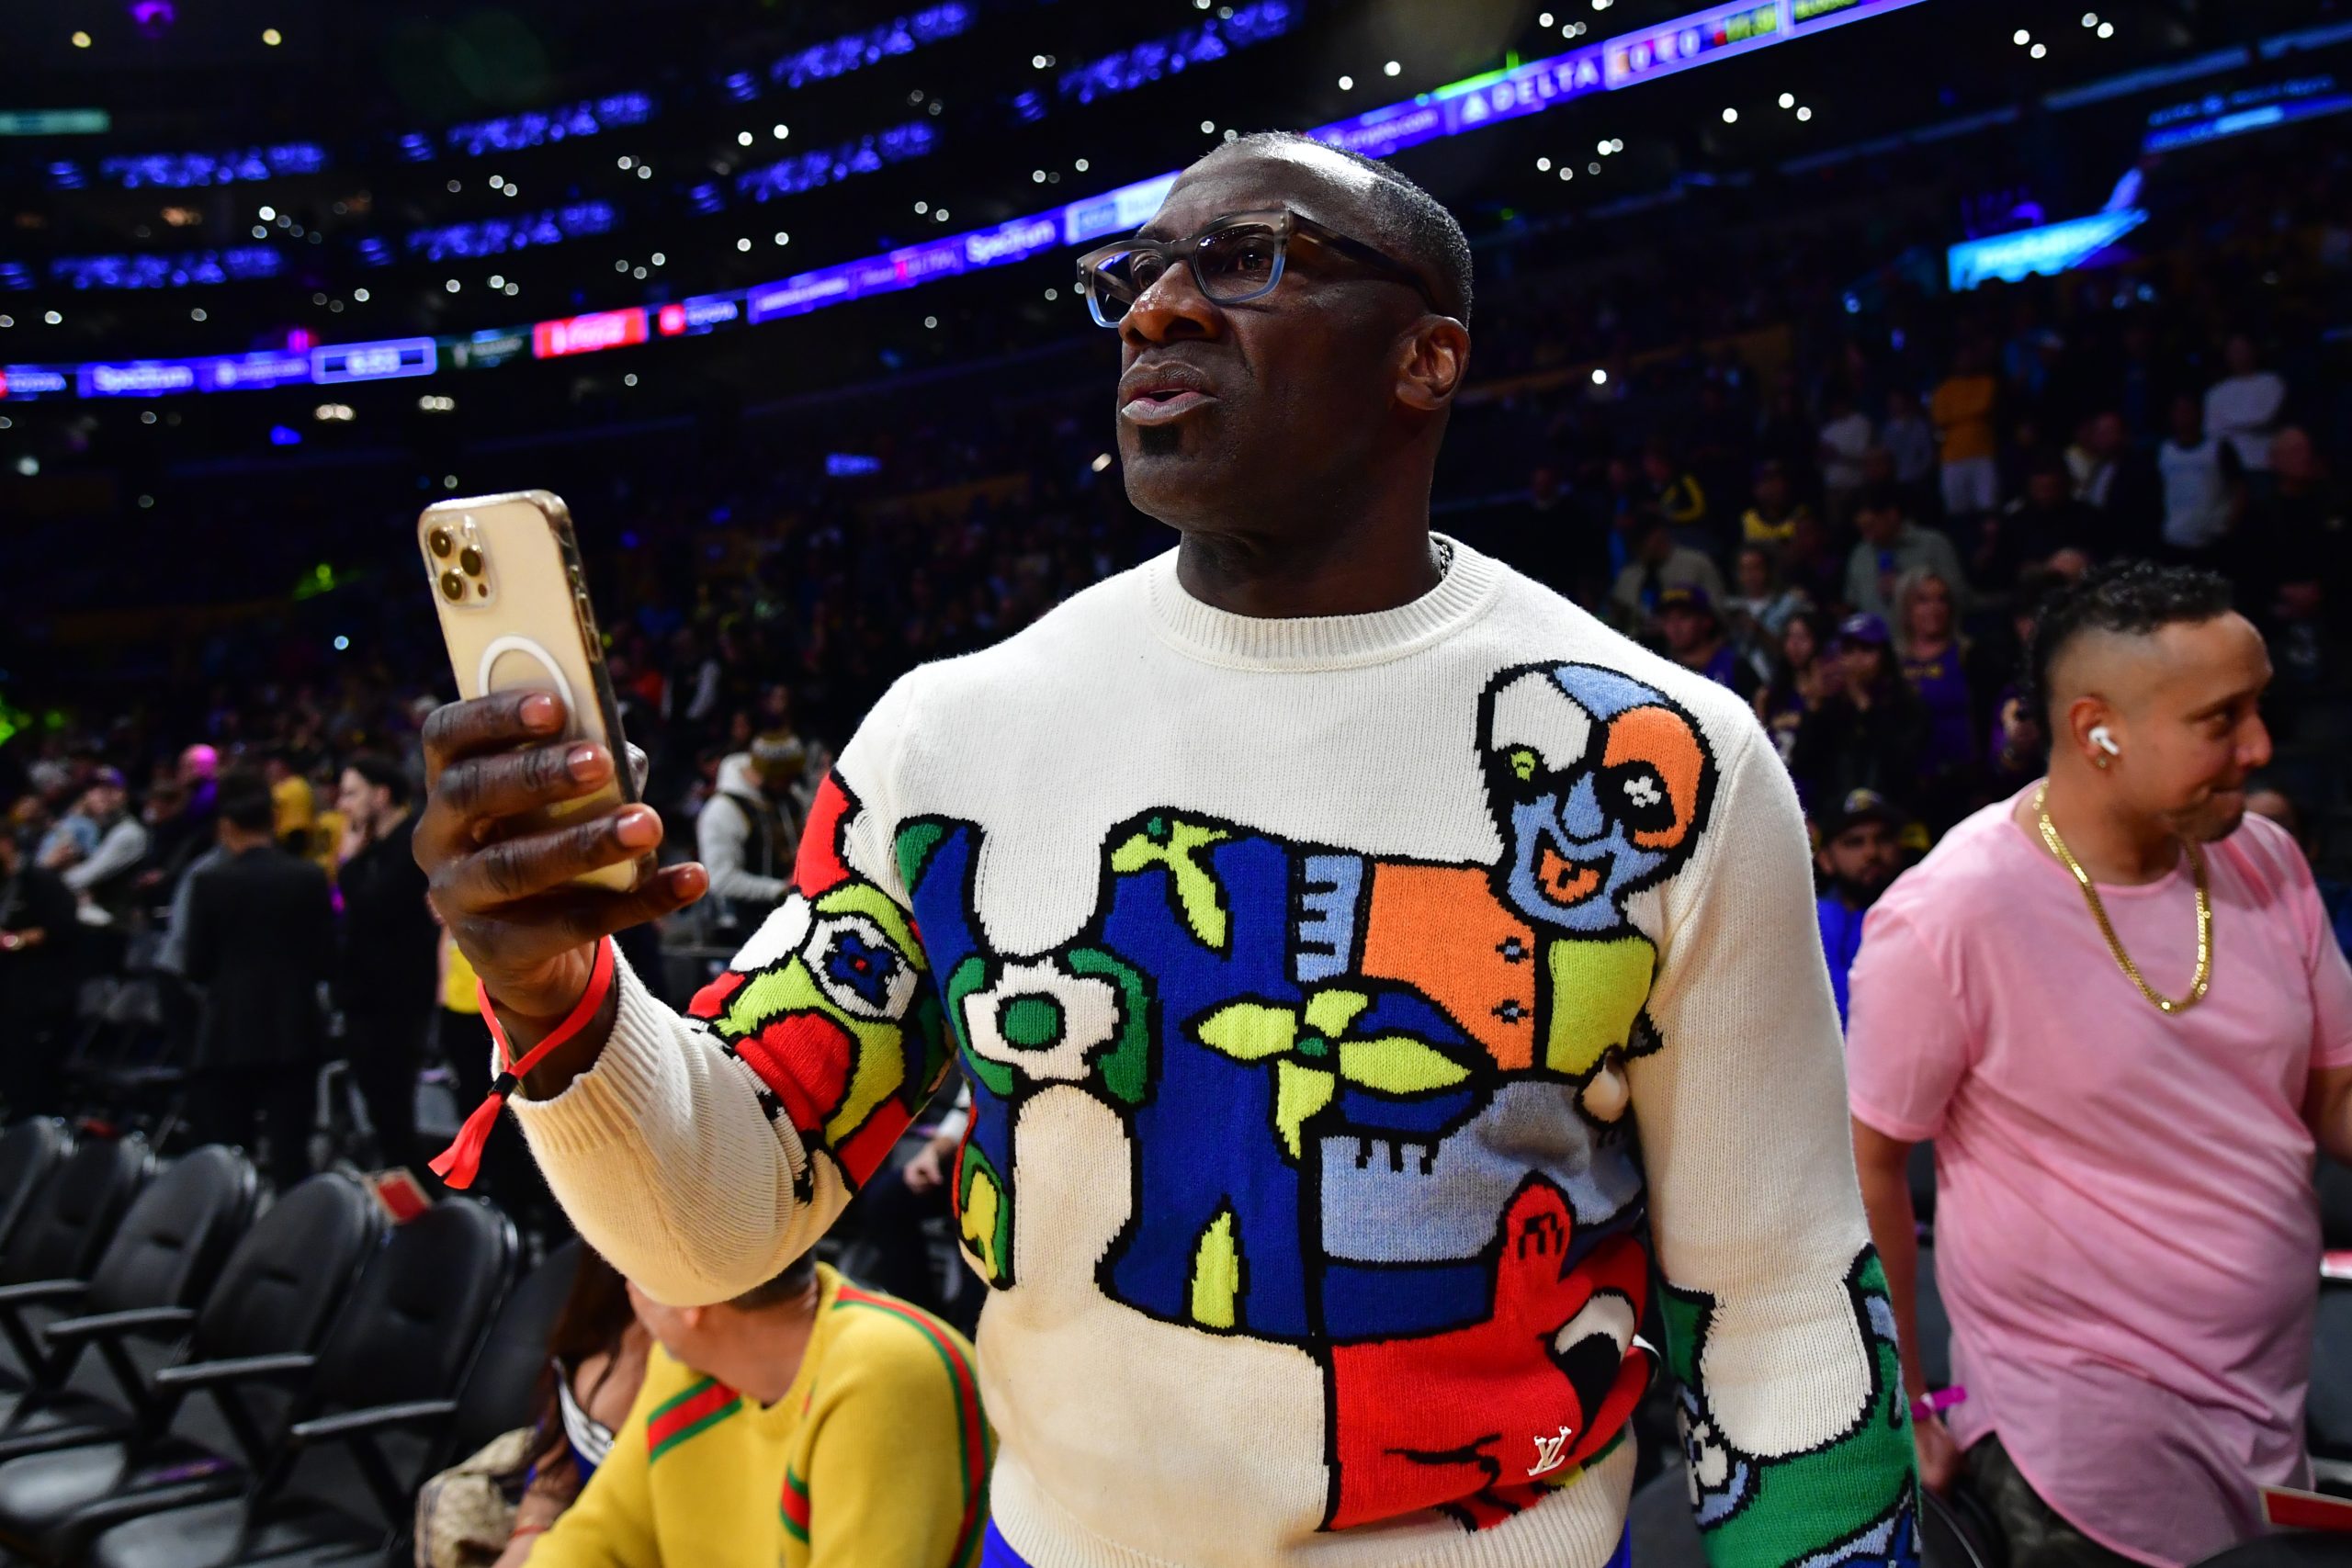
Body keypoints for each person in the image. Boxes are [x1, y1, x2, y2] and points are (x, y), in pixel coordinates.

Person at [416, 132, 1917, 1567]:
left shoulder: (1668, 755)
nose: (1156, 305)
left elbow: (1780, 1291)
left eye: (1248, 257)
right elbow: (723, 1211)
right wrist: (559, 1000)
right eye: (1134, 272)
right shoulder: (953, 739)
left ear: (1426, 355)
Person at [1846, 562, 2352, 1568]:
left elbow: (2334, 1091)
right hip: (2077, 1443)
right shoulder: (1948, 912)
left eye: (2257, 709)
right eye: (2220, 720)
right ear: (2097, 731)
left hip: (2266, 1403)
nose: (2257, 748)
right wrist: (1893, 1398)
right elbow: (1864, 1166)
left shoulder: (2265, 859)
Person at [521, 1256, 989, 1568]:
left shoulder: (888, 1373)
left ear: (687, 1296)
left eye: (633, 1266)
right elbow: (595, 1537)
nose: (626, 1287)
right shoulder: (687, 1362)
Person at [182, 767, 334, 1189]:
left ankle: (230, 1240)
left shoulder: (210, 882)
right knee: (291, 1151)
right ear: (273, 822)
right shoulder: (307, 878)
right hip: (294, 1029)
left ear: (226, 826)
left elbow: (196, 964)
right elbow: (326, 959)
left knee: (230, 1155)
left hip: (228, 1030)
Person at [337, 752, 438, 1176]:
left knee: (394, 1110)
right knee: (379, 1112)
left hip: (399, 998)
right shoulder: (375, 847)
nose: (342, 804)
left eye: (351, 793)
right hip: (367, 995)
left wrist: (348, 864)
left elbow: (375, 908)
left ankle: (423, 1205)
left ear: (381, 795)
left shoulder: (412, 844)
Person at [1791, 614, 1928, 812]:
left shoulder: (1908, 705)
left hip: (1893, 813)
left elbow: (1900, 764)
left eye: (1866, 650)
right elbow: (1802, 764)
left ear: (1884, 656)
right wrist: (1814, 706)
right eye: (1848, 651)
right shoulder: (1829, 709)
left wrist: (1866, 708)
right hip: (1837, 817)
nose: (1857, 659)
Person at [0, 816, 78, 1116]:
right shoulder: (6, 884)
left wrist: (14, 941)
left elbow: (62, 927)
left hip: (39, 994)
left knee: (30, 1073)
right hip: (8, 991)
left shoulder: (41, 882)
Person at [695, 732, 806, 943]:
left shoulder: (789, 796)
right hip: (744, 927)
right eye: (783, 779)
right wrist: (779, 889)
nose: (789, 785)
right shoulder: (724, 810)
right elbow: (720, 878)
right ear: (767, 774)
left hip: (793, 916)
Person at [1813, 790, 1906, 1031]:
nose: (1871, 853)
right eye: (1854, 842)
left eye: (1883, 839)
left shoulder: (1927, 919)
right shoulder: (1805, 924)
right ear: (1825, 859)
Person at [1893, 567, 1978, 829]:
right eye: (1923, 600)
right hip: (1909, 786)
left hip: (1963, 783)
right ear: (1906, 608)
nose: (1934, 608)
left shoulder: (1969, 655)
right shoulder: (1892, 662)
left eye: (1941, 599)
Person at [1845, 488, 1970, 625]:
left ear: (1892, 515)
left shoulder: (1933, 544)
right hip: (1877, 644)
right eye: (1862, 530)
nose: (1867, 537)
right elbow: (1853, 605)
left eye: (1871, 526)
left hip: (1931, 641)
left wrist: (1908, 590)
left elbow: (1960, 597)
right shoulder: (1860, 554)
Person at [1608, 512, 1727, 639]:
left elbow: (1720, 614)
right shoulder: (1627, 576)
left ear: (1659, 535)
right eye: (1631, 542)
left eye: (1640, 541)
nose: (1634, 548)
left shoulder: (1697, 564)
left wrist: (1670, 625)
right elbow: (1615, 622)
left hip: (1691, 649)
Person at [2155, 392, 2241, 561]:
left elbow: (2240, 488)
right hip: (2173, 540)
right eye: (2178, 410)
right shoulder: (2163, 451)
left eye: (2188, 409)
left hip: (2213, 541)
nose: (2183, 414)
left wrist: (2230, 525)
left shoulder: (2219, 448)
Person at [54, 769, 147, 919]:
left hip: (115, 921)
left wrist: (47, 878)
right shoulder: (91, 827)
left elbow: (86, 876)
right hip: (90, 911)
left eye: (111, 788)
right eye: (95, 788)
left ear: (124, 795)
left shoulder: (129, 832)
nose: (102, 794)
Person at [1931, 342, 2001, 520]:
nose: (1966, 361)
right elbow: (1939, 418)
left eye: (1970, 357)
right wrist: (1971, 413)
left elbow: (1983, 405)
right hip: (1952, 456)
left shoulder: (1986, 382)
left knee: (1987, 507)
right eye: (1962, 358)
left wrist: (1954, 414)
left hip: (1982, 453)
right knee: (1956, 510)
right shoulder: (1944, 389)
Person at [2203, 333, 2288, 475]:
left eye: (2242, 349)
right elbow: (2212, 431)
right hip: (2230, 468)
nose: (2238, 355)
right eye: (2234, 351)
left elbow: (2266, 419)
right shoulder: (2216, 392)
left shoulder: (2271, 382)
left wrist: (2230, 425)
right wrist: (2248, 425)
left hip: (2265, 463)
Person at [1657, 586, 1758, 703]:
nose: (1675, 627)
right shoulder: (1662, 675)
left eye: (1684, 617)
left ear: (1706, 621)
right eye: (1667, 619)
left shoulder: (1735, 667)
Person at [1817, 387, 1874, 531]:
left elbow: (1864, 455)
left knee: (1858, 528)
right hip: (1833, 488)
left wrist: (1837, 453)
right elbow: (1822, 462)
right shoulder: (1827, 429)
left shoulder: (1861, 423)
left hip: (1855, 487)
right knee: (1837, 530)